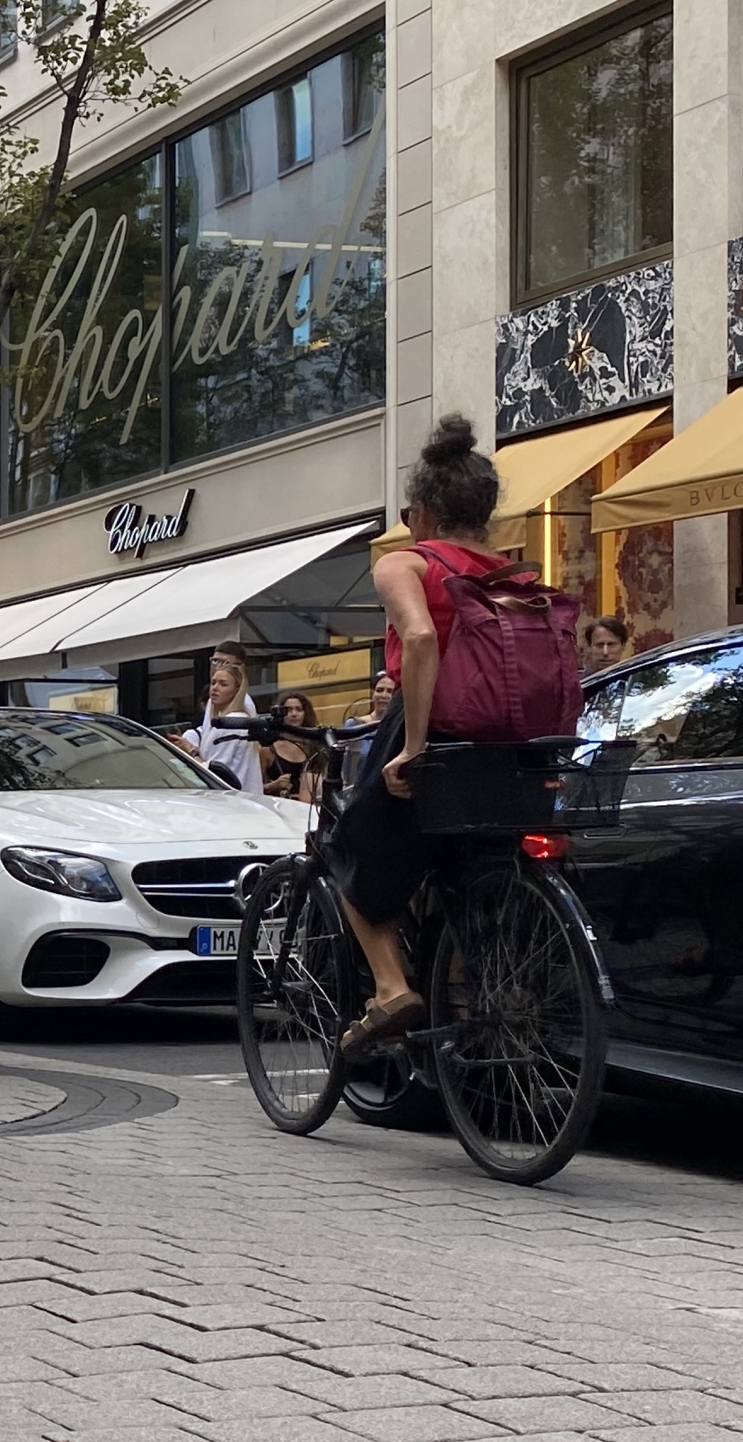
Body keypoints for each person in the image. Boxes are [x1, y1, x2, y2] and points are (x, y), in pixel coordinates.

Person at [326, 414, 516, 1055]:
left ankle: (389, 987)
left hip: (431, 717)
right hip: (508, 734)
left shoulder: (408, 564)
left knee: (348, 847)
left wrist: (412, 744)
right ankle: (466, 995)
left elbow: (421, 637)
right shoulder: (513, 573)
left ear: (425, 513)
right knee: (458, 860)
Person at [181, 659, 266, 793]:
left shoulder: (232, 723)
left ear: (236, 690)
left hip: (233, 802)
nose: (215, 688)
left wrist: (190, 751)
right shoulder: (225, 719)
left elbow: (215, 774)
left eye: (223, 684)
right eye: (213, 682)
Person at [262, 691, 326, 804]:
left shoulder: (316, 747)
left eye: (299, 709)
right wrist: (273, 785)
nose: (294, 714)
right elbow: (254, 788)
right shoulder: (268, 750)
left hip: (310, 809)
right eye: (288, 710)